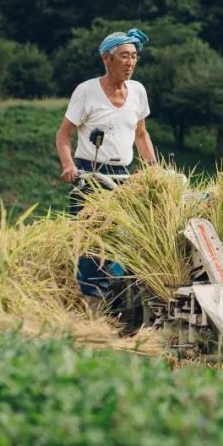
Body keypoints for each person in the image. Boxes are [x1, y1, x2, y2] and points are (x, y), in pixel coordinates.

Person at [55, 28, 157, 306]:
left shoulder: (137, 91)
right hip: (90, 173)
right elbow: (63, 135)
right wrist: (68, 166)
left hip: (125, 174)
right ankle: (92, 303)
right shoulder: (86, 91)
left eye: (134, 57)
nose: (130, 62)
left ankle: (121, 299)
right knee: (93, 239)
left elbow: (141, 135)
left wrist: (154, 169)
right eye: (124, 56)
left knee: (129, 237)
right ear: (106, 59)